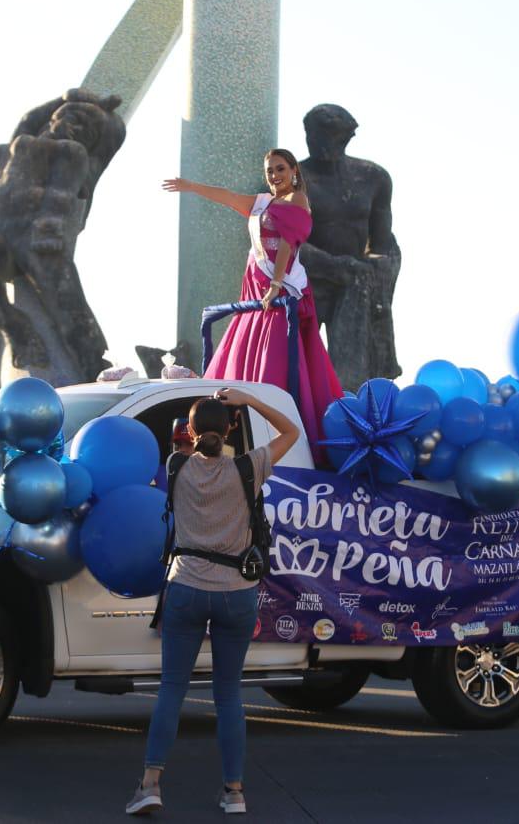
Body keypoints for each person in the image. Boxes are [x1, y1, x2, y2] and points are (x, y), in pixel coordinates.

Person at [127, 388, 300, 816]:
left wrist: (194, 428)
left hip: (185, 587)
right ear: (230, 430)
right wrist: (247, 400)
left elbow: (184, 444)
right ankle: (234, 792)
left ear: (188, 432)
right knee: (228, 695)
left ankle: (150, 784)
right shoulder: (250, 467)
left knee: (172, 689)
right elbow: (291, 430)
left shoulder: (176, 465)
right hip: (236, 593)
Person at [162, 150, 344, 451]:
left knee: (276, 359)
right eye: (270, 170)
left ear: (294, 170)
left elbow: (287, 241)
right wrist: (192, 186)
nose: (274, 175)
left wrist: (275, 284)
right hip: (255, 290)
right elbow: (228, 196)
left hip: (280, 288)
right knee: (243, 352)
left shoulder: (296, 200)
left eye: (280, 169)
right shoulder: (262, 203)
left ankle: (282, 434)